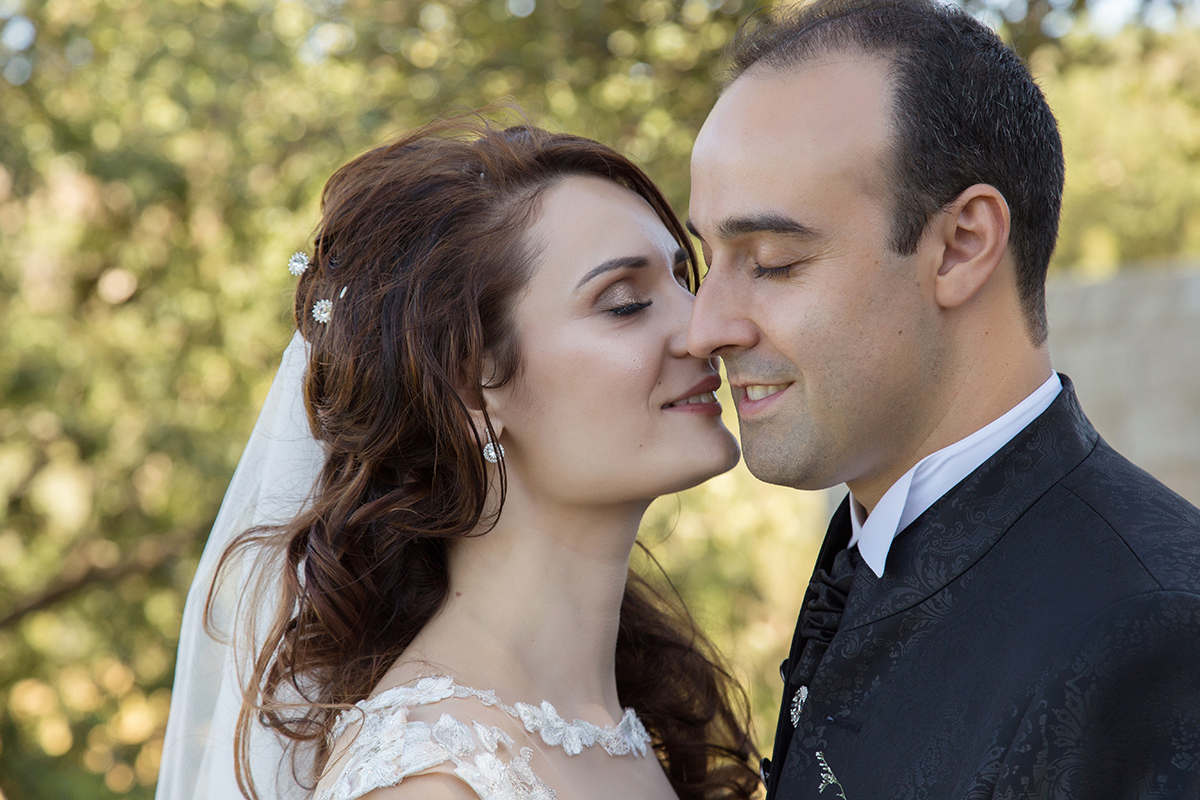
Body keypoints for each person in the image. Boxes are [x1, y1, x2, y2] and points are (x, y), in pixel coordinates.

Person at [156, 118, 761, 800]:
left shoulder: (630, 720)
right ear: (472, 389)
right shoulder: (433, 781)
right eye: (625, 303)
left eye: (685, 279)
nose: (704, 328)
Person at [685, 0, 1200, 797]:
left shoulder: (1160, 635)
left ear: (961, 246)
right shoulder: (870, 556)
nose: (704, 328)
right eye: (706, 259)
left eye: (774, 260)